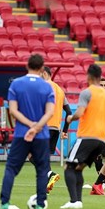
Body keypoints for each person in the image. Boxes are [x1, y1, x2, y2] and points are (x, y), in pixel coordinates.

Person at [0, 54, 55, 209]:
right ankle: (40, 205)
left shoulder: (17, 84)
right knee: (42, 169)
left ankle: (4, 203)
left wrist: (29, 125)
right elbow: (50, 112)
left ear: (27, 66)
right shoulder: (47, 87)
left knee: (11, 167)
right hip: (41, 135)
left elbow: (13, 110)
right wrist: (37, 126)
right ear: (41, 68)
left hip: (21, 134)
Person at [60, 64, 105, 209]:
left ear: (89, 77)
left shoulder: (87, 92)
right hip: (102, 140)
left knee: (68, 167)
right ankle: (78, 201)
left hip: (87, 136)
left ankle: (73, 201)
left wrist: (70, 118)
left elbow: (79, 113)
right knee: (78, 168)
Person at [27, 66, 72, 194]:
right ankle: (47, 182)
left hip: (44, 127)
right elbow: (68, 112)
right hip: (55, 129)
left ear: (45, 74)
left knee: (30, 154)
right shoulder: (60, 90)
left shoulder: (43, 87)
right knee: (44, 157)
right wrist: (65, 131)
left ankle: (50, 174)